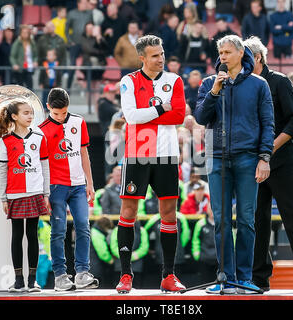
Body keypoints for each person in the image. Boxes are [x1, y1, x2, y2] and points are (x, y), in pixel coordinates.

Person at [195, 35, 275, 294]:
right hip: (216, 158)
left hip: (248, 158)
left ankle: (244, 278)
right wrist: (215, 92)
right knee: (220, 221)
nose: (223, 57)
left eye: (228, 52)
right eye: (220, 52)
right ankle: (224, 278)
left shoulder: (259, 84)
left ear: (241, 53)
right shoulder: (209, 83)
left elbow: (268, 124)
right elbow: (200, 117)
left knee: (246, 220)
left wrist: (264, 158)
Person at [243, 36, 293, 292]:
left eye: (245, 57)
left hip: (282, 161)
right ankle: (258, 279)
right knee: (256, 220)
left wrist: (268, 149)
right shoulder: (243, 84)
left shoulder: (280, 81)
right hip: (252, 162)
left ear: (258, 57)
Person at [115, 35, 186, 294]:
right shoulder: (128, 81)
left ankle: (169, 275)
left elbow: (179, 115)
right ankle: (125, 275)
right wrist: (161, 110)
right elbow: (131, 116)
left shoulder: (174, 80)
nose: (161, 59)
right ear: (142, 58)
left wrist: (153, 114)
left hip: (167, 154)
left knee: (169, 214)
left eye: (162, 53)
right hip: (138, 152)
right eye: (155, 55)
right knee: (128, 213)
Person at [0, 101, 50, 293]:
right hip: (14, 193)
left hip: (35, 192)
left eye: (31, 113)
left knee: (32, 235)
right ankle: (18, 280)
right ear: (14, 116)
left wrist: (46, 193)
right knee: (16, 235)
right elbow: (3, 171)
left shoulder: (39, 137)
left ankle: (33, 280)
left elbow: (44, 166)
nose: (30, 117)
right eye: (26, 113)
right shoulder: (5, 141)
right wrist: (3, 197)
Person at [38, 88, 98, 291]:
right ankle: (60, 276)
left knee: (83, 226)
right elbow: (41, 164)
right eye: (56, 114)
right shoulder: (41, 129)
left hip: (79, 184)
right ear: (48, 108)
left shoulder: (79, 121)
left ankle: (82, 272)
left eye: (64, 113)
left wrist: (90, 183)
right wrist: (44, 192)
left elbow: (84, 153)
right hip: (56, 186)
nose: (61, 117)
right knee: (58, 231)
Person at [110, 220, 149, 289]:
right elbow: (113, 246)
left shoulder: (142, 230)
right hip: (120, 266)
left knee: (137, 289)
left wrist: (130, 256)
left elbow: (144, 247)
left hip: (137, 267)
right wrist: (125, 255)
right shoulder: (117, 229)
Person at [65, 0, 94, 89]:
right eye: (84, 3)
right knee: (72, 65)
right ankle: (68, 88)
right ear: (78, 3)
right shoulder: (71, 13)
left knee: (88, 64)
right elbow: (66, 30)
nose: (86, 5)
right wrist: (70, 41)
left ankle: (89, 89)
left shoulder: (89, 14)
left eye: (86, 3)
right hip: (75, 43)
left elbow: (91, 28)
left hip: (85, 43)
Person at [191, 203, 218, 284]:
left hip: (219, 260)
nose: (212, 211)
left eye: (214, 208)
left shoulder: (222, 223)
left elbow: (231, 238)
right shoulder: (200, 224)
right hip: (204, 259)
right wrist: (197, 255)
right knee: (204, 284)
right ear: (207, 210)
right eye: (210, 208)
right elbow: (195, 240)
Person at [90, 216, 115, 288]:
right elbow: (103, 253)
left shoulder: (93, 231)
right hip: (95, 270)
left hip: (90, 268)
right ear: (105, 227)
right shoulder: (97, 234)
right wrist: (111, 260)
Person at [10, 25, 37, 90]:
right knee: (20, 88)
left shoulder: (32, 42)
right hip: (20, 68)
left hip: (29, 67)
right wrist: (14, 64)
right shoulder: (17, 43)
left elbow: (35, 55)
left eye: (26, 32)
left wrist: (35, 61)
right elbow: (12, 56)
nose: (25, 34)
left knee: (30, 87)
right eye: (23, 32)